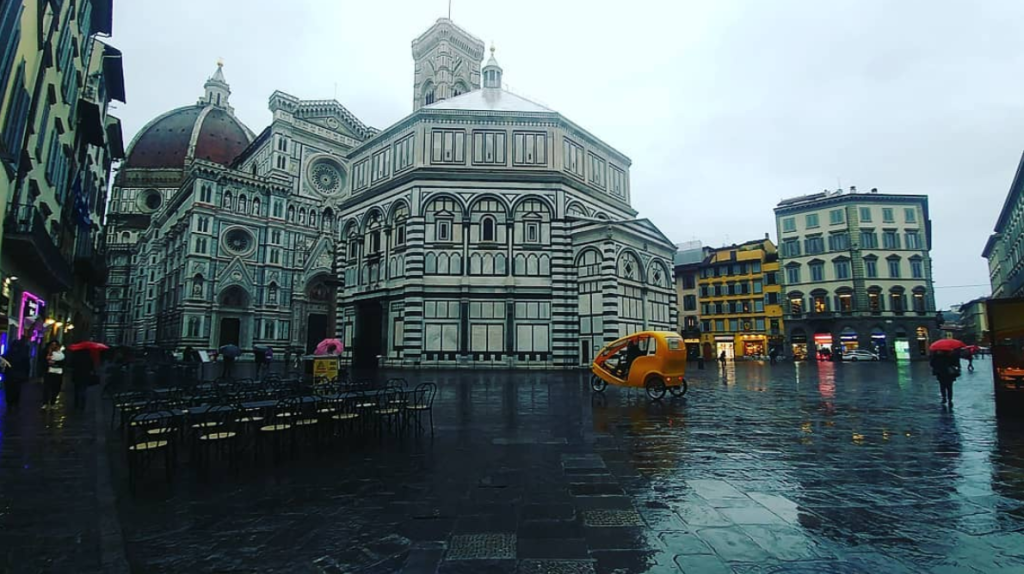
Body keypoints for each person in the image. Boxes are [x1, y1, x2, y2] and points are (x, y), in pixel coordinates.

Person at [2, 334, 32, 411]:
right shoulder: (23, 354)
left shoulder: (8, 353)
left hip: (9, 375)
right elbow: (27, 366)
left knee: (9, 389)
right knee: (17, 389)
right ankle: (15, 402)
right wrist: (26, 375)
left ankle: (10, 403)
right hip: (18, 375)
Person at [42, 340, 64, 409]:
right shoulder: (46, 352)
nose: (54, 346)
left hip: (58, 373)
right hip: (49, 372)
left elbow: (63, 361)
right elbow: (43, 360)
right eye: (52, 344)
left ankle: (52, 402)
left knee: (56, 388)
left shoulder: (61, 353)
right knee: (47, 388)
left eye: (55, 344)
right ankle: (45, 402)